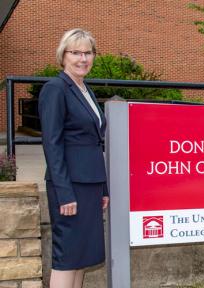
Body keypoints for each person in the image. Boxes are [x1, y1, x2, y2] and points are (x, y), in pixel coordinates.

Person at [39, 28, 109, 288]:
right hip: (69, 186)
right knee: (67, 256)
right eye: (76, 52)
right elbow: (52, 144)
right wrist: (64, 192)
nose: (83, 58)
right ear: (63, 56)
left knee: (83, 255)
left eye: (88, 53)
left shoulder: (85, 90)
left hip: (90, 184)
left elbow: (94, 142)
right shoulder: (56, 88)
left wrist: (103, 187)